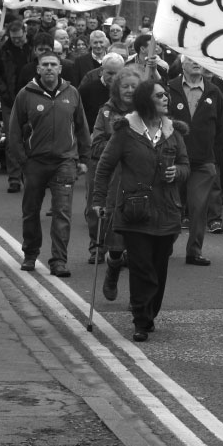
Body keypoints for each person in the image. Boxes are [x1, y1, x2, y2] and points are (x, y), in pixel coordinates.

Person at [90, 81, 188, 341]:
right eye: (159, 95)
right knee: (141, 266)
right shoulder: (125, 131)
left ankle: (150, 312)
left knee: (158, 267)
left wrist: (176, 172)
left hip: (167, 210)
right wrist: (98, 200)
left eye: (166, 94)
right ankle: (141, 321)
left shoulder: (173, 131)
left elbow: (186, 165)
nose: (166, 98)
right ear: (146, 100)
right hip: (135, 211)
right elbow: (104, 167)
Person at [7, 51, 92, 278]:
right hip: (35, 162)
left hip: (65, 161)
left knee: (62, 213)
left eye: (53, 64)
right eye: (44, 65)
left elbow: (82, 126)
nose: (49, 69)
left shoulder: (71, 93)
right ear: (38, 68)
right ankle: (30, 254)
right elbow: (14, 131)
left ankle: (59, 261)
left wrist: (84, 158)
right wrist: (22, 161)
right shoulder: (26, 94)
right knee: (31, 211)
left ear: (60, 68)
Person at [166, 58, 223, 267]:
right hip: (174, 160)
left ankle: (194, 251)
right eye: (191, 59)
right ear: (182, 64)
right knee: (172, 207)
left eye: (199, 60)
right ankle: (165, 244)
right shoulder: (169, 87)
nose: (196, 63)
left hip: (203, 162)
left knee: (199, 207)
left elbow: (221, 127)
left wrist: (212, 155)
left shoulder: (214, 91)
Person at [90, 68, 141, 295]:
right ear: (116, 89)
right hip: (116, 183)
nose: (130, 90)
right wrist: (119, 141)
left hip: (142, 183)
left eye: (134, 86)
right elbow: (96, 145)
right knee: (118, 243)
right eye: (125, 86)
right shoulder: (107, 113)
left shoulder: (147, 112)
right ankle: (112, 269)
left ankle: (137, 298)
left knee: (140, 246)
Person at [0, 20, 36, 192]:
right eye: (13, 38)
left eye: (19, 37)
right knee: (12, 138)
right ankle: (14, 178)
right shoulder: (2, 49)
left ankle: (31, 176)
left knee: (33, 137)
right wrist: (2, 88)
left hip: (33, 98)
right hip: (10, 99)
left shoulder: (33, 46)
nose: (16, 41)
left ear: (25, 32)